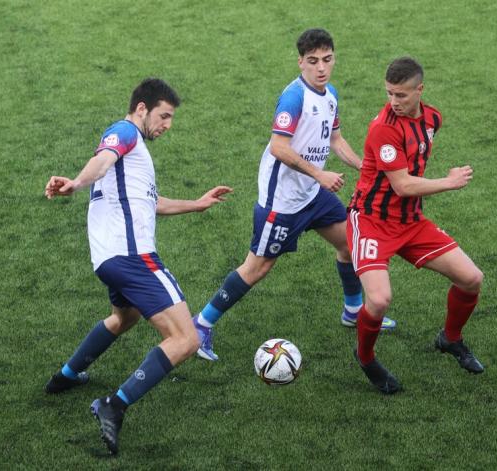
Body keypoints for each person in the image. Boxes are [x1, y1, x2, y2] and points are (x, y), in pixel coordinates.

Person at [43, 78, 232, 454]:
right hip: (133, 257)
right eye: (164, 115)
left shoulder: (136, 154)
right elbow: (100, 162)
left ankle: (66, 375)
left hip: (109, 259)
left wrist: (197, 203)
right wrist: (76, 183)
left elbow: (150, 202)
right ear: (142, 109)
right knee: (187, 339)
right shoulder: (125, 131)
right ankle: (114, 404)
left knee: (123, 317)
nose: (167, 125)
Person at [191, 28, 395, 361]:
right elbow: (279, 146)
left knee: (349, 241)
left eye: (327, 60)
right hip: (283, 201)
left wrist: (364, 168)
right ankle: (201, 325)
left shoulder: (330, 95)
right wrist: (319, 173)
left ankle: (353, 309)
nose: (321, 68)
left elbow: (336, 140)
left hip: (312, 193)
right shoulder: (294, 97)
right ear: (301, 62)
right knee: (257, 267)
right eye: (313, 61)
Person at [347, 57, 485, 394]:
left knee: (471, 278)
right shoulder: (383, 127)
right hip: (371, 222)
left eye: (402, 95)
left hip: (410, 222)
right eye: (390, 94)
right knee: (379, 300)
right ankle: (366, 358)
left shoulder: (433, 118)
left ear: (419, 90)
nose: (394, 102)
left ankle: (450, 339)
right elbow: (402, 185)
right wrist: (449, 182)